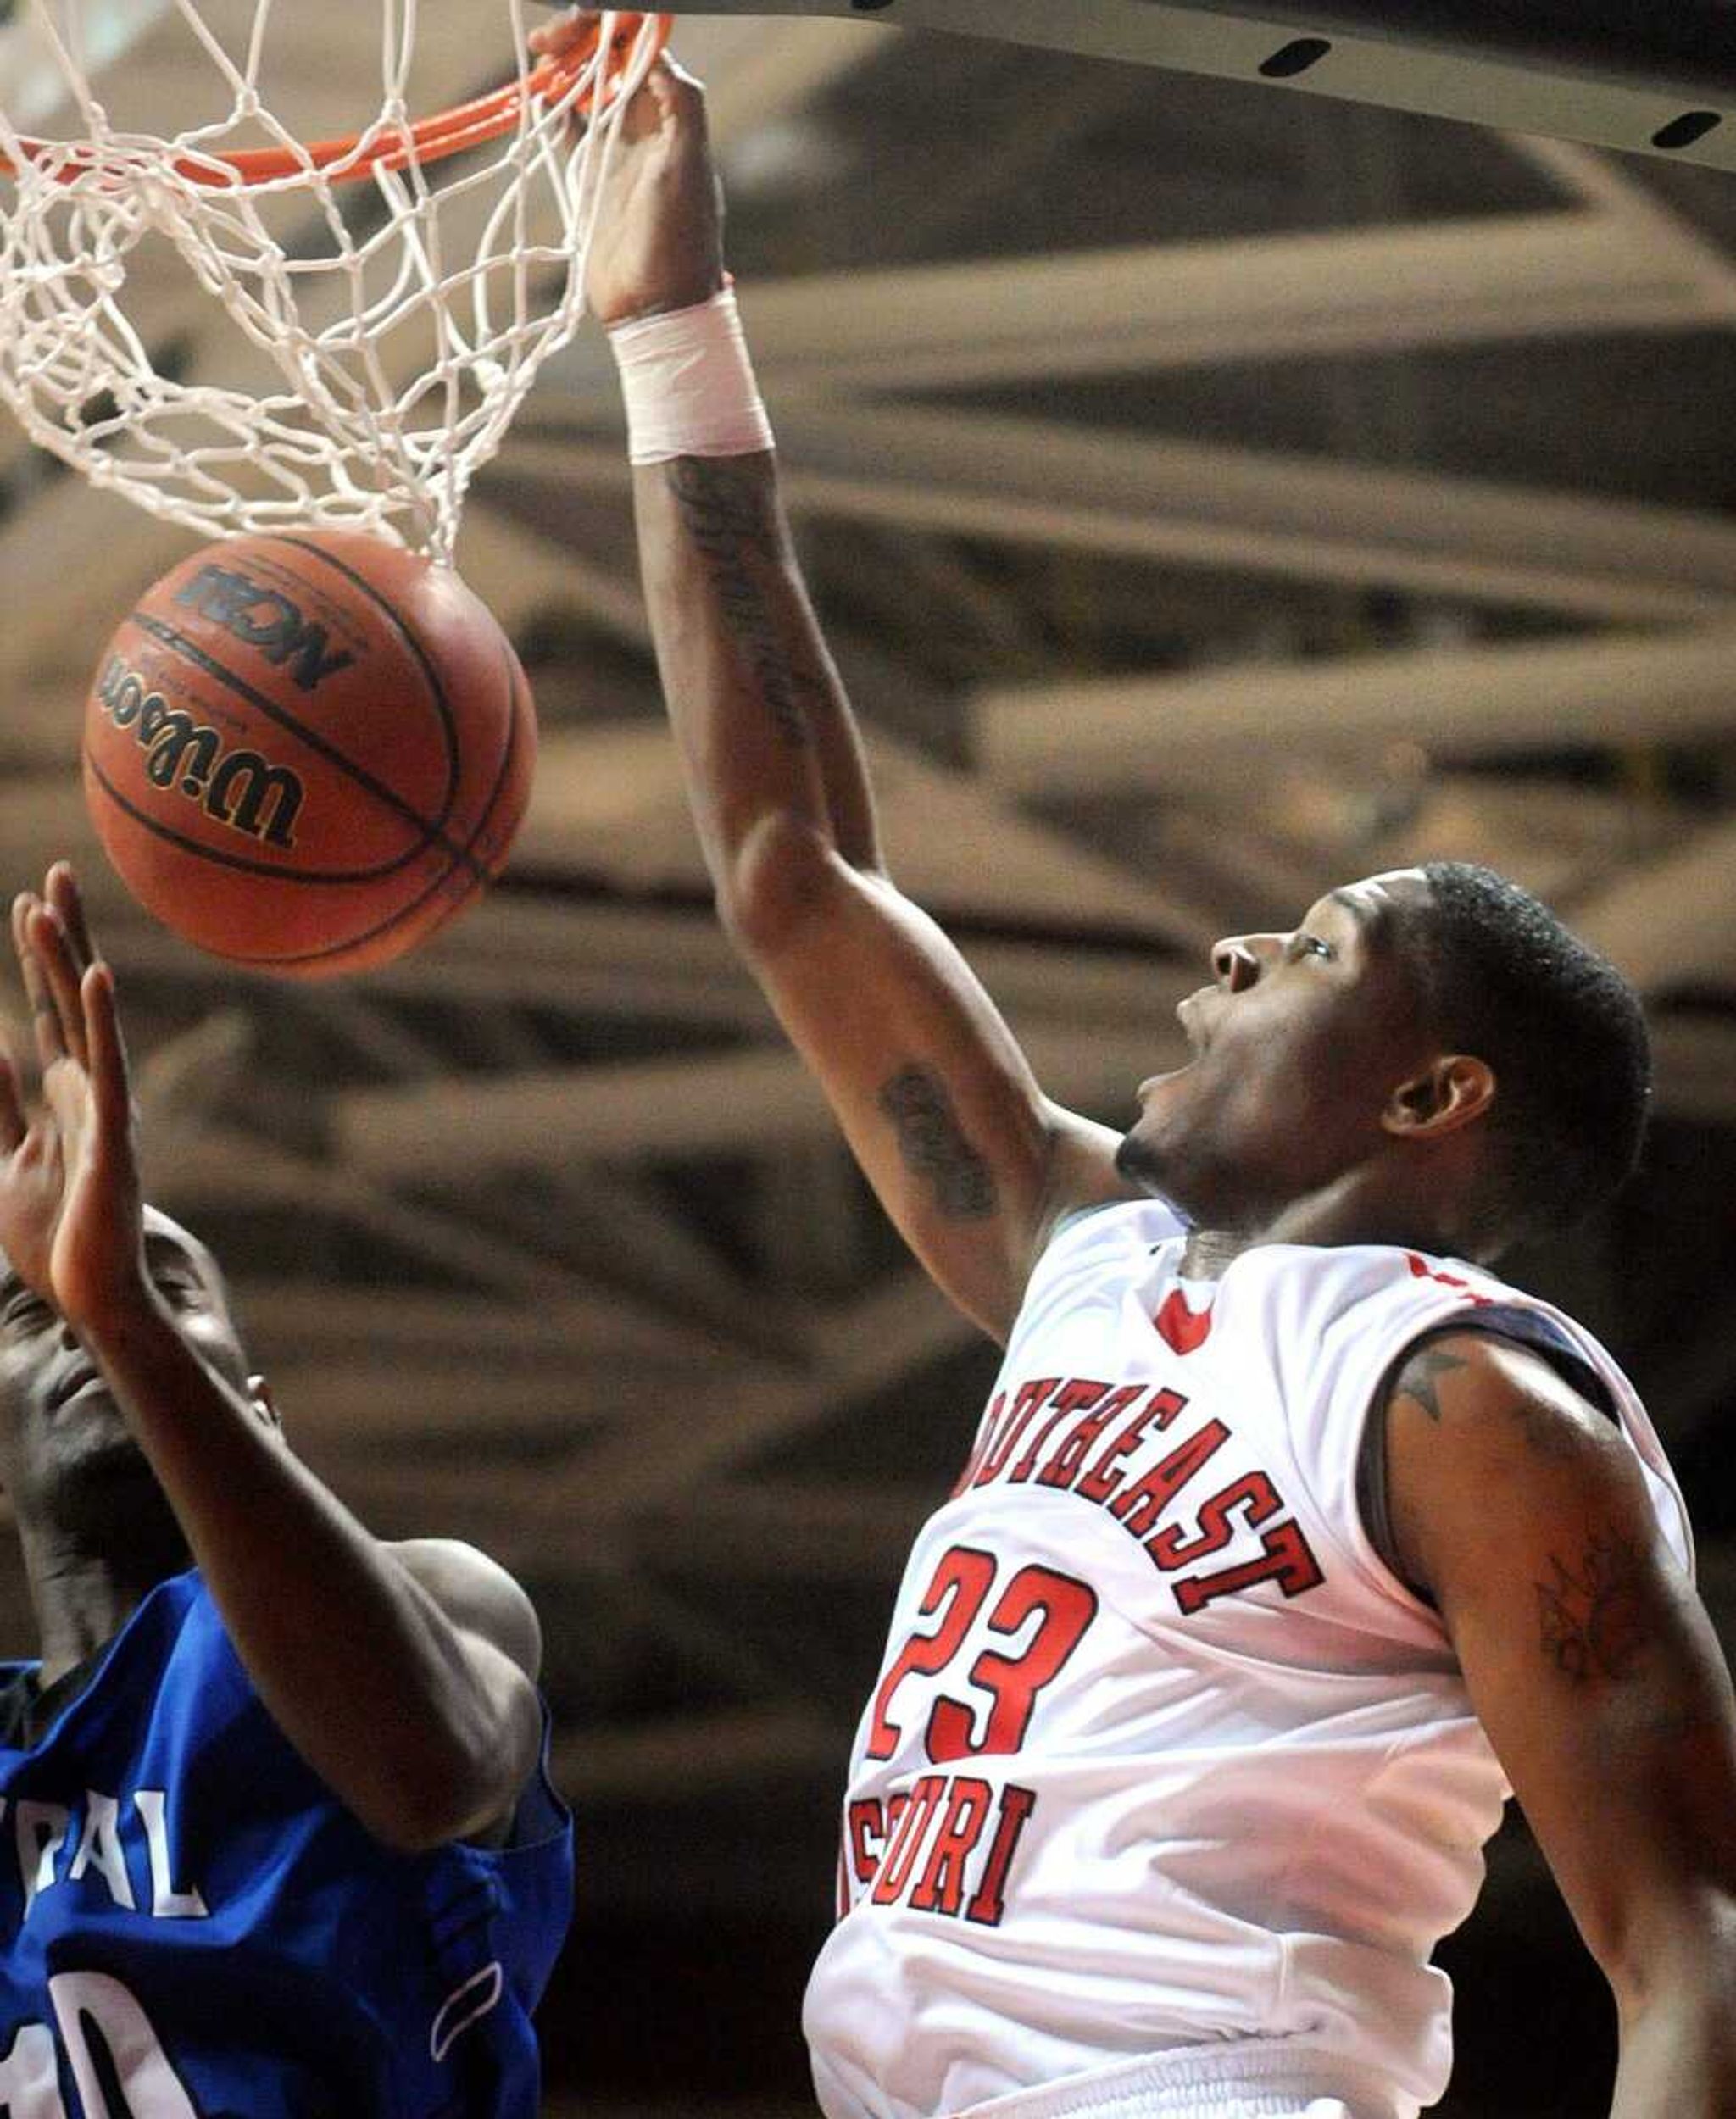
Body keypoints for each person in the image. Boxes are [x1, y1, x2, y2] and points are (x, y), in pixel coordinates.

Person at [562, 24, 1736, 2119]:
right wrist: (674, 335)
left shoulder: (1465, 1395)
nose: (1228, 951)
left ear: (1426, 1095)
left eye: (1311, 948)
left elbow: (1684, 1947)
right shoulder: (1088, 1258)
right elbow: (791, 866)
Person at [0, 864, 572, 2115]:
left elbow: (429, 1774)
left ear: (258, 1416)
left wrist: (125, 1320)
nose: (78, 1309)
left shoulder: (441, 1602)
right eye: (25, 1310)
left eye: (163, 1279)